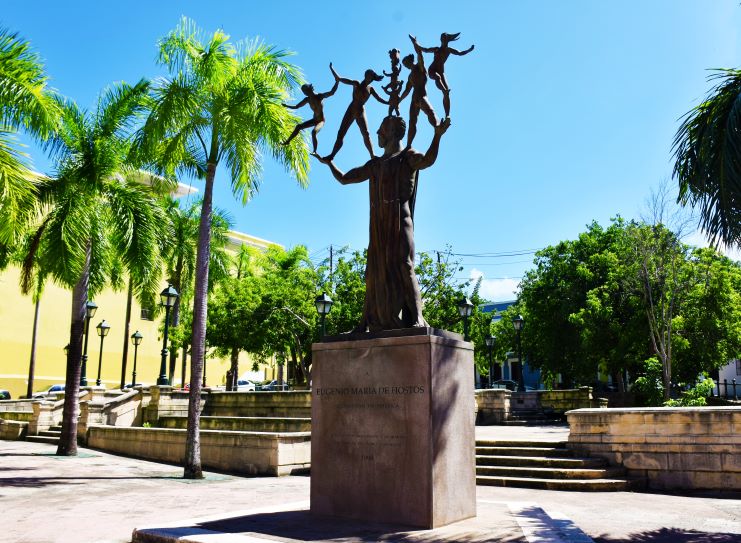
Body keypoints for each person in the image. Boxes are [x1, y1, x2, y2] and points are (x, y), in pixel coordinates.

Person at [314, 115, 451, 332]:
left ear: (393, 133)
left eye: (382, 129)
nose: (378, 133)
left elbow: (427, 161)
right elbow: (345, 178)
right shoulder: (375, 165)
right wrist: (329, 162)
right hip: (378, 227)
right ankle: (364, 322)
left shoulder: (407, 157)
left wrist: (437, 136)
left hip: (400, 220)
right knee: (372, 272)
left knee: (405, 265)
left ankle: (418, 318)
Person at [324, 63, 384, 161]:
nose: (368, 77)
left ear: (372, 78)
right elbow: (340, 78)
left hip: (360, 110)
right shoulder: (356, 83)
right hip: (351, 109)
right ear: (365, 75)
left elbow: (379, 99)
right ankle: (332, 155)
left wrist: (388, 102)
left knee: (366, 133)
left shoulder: (371, 89)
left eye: (370, 75)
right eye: (367, 74)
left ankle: (372, 155)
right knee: (341, 133)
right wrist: (332, 69)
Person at [413, 32, 474, 118]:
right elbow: (425, 49)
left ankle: (447, 115)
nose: (443, 40)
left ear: (447, 40)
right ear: (441, 40)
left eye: (445, 38)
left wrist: (469, 50)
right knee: (438, 79)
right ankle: (444, 90)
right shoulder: (436, 49)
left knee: (446, 93)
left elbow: (460, 53)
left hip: (441, 72)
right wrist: (415, 43)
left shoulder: (449, 50)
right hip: (432, 71)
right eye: (442, 38)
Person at [399, 36, 439, 147]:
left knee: (430, 112)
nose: (405, 65)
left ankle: (437, 127)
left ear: (410, 61)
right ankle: (408, 145)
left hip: (421, 96)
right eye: (404, 64)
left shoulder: (420, 67)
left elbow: (420, 54)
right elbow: (406, 91)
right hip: (414, 99)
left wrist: (415, 42)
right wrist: (399, 100)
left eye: (405, 63)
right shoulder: (410, 76)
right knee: (412, 122)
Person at [282, 79, 339, 152]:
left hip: (321, 121)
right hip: (314, 120)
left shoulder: (319, 96)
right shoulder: (307, 99)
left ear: (310, 89)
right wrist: (287, 105)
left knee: (313, 132)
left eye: (305, 91)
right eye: (303, 92)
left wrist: (337, 82)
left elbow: (332, 92)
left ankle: (315, 151)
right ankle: (288, 141)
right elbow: (297, 106)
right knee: (298, 126)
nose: (304, 93)